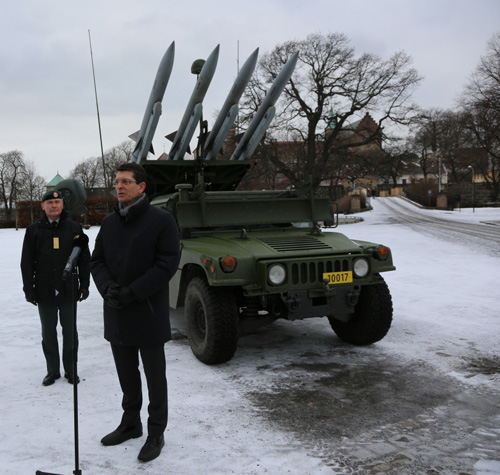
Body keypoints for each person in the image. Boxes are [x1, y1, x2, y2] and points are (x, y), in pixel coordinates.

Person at [90, 162, 180, 463]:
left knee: (155, 377)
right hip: (117, 311)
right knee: (126, 375)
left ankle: (156, 431)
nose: (119, 186)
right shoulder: (109, 223)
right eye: (116, 181)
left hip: (148, 311)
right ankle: (131, 423)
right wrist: (107, 288)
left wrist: (134, 291)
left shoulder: (162, 221)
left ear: (141, 187)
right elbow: (97, 260)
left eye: (126, 181)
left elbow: (167, 263)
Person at [21, 189, 90, 386]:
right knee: (48, 333)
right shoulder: (34, 231)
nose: (54, 206)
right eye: (50, 203)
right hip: (44, 290)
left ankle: (71, 369)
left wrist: (84, 285)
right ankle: (52, 371)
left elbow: (85, 259)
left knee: (70, 333)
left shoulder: (74, 228)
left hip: (68, 289)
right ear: (42, 206)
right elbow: (26, 262)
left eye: (58, 202)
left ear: (62, 205)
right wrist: (29, 289)